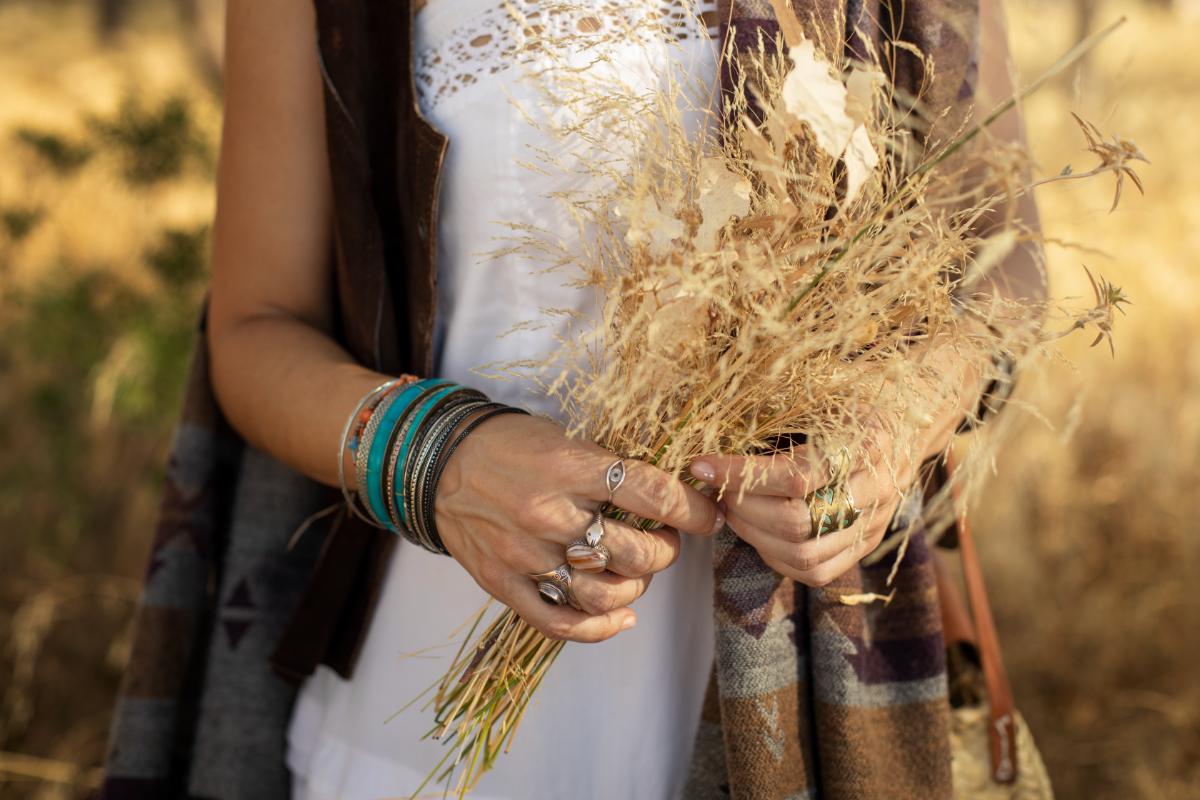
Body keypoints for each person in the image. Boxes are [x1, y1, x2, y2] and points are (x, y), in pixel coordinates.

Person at [101, 0, 1043, 798]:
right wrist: (442, 461)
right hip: (421, 706)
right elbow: (258, 324)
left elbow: (1003, 270)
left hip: (791, 708)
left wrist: (883, 437)